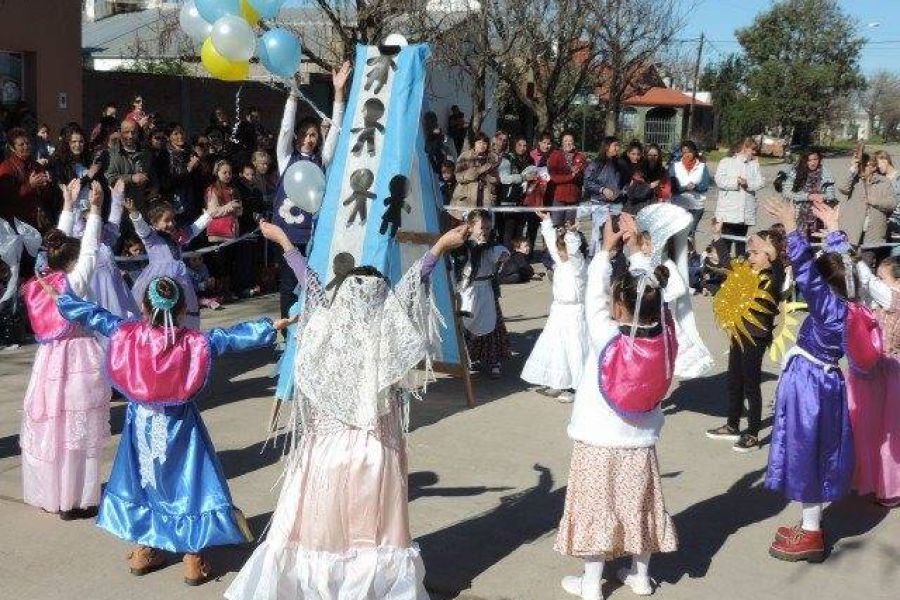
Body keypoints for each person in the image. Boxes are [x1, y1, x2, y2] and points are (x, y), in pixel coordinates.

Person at [226, 224, 469, 600]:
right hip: (376, 450)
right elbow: (413, 280)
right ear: (382, 296)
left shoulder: (327, 315)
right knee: (372, 531)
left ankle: (319, 586)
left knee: (319, 527)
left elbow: (308, 281)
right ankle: (372, 587)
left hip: (326, 448)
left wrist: (283, 240)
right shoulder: (388, 320)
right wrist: (440, 245)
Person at [49, 275, 277, 584]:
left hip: (139, 423)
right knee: (189, 483)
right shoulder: (193, 342)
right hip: (180, 425)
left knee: (146, 481)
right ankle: (193, 557)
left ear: (143, 307)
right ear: (183, 310)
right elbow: (228, 337)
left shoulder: (127, 333)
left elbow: (95, 315)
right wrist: (269, 327)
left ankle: (147, 547)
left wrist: (62, 298)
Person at [555, 218, 677, 600]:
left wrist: (607, 253)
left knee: (596, 507)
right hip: (639, 441)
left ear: (619, 309)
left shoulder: (606, 334)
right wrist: (645, 254)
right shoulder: (666, 336)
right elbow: (655, 295)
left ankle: (591, 583)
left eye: (613, 302)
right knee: (637, 504)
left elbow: (593, 293)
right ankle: (640, 577)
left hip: (597, 439)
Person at [760, 197, 856, 562]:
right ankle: (809, 521)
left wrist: (790, 224)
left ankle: (812, 532)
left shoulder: (829, 306)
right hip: (825, 381)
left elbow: (804, 269)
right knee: (816, 450)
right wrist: (834, 229)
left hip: (810, 384)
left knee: (805, 453)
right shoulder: (851, 296)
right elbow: (845, 263)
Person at [19, 181, 110, 519]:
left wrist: (69, 206)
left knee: (55, 428)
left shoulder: (44, 278)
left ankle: (55, 494)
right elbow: (88, 249)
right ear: (71, 259)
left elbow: (57, 244)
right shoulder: (76, 280)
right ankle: (79, 498)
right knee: (79, 429)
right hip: (77, 357)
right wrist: (96, 209)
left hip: (49, 360)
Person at [272, 62, 349, 320]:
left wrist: (339, 92)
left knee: (312, 282)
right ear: (297, 137)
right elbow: (284, 129)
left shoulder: (321, 161)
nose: (308, 138)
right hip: (287, 235)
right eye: (304, 134)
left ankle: (310, 323)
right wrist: (293, 93)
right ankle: (286, 330)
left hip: (313, 236)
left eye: (313, 135)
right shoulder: (286, 158)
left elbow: (336, 131)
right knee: (287, 285)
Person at [706, 229, 785, 452]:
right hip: (739, 333)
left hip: (756, 338)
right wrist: (719, 237)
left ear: (770, 254)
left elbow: (776, 262)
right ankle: (732, 425)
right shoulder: (746, 270)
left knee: (751, 384)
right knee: (734, 380)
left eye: (756, 253)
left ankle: (752, 434)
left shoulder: (774, 276)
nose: (750, 257)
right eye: (750, 253)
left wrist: (770, 249)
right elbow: (726, 261)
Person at [127, 196, 236, 329]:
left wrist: (209, 214)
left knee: (182, 309)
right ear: (155, 224)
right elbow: (141, 228)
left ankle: (181, 336)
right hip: (159, 280)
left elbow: (194, 229)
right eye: (166, 220)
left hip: (180, 280)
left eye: (172, 219)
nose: (171, 223)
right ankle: (157, 335)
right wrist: (134, 212)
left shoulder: (178, 236)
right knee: (159, 309)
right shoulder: (151, 238)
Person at [847, 255, 900, 507]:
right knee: (876, 429)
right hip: (882, 370)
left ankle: (891, 488)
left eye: (884, 277)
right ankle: (877, 480)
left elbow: (867, 281)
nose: (879, 281)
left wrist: (848, 250)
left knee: (890, 432)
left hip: (893, 371)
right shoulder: (887, 298)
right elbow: (862, 286)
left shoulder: (893, 298)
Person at [521, 212, 589, 403]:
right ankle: (558, 380)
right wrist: (546, 221)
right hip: (559, 311)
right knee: (555, 346)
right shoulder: (561, 262)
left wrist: (572, 234)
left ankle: (577, 386)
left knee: (574, 349)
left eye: (564, 249)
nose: (560, 253)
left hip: (574, 313)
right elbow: (552, 244)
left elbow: (573, 250)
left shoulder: (578, 265)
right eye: (561, 250)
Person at [455, 209, 510, 378]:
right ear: (470, 227)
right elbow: (458, 264)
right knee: (466, 325)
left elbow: (499, 253)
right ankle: (469, 358)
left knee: (492, 326)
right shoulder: (462, 246)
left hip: (486, 290)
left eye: (488, 228)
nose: (485, 231)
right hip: (467, 290)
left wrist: (501, 255)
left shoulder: (491, 246)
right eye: (482, 228)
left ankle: (494, 362)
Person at [715, 138, 765, 256]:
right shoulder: (726, 162)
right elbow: (719, 180)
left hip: (745, 212)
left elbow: (760, 182)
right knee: (725, 242)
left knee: (741, 243)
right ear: (744, 148)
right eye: (752, 149)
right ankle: (723, 268)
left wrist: (748, 184)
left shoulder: (754, 165)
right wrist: (736, 181)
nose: (754, 152)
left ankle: (741, 269)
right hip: (728, 211)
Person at [839, 152, 895, 252]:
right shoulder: (853, 179)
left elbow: (892, 204)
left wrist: (874, 201)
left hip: (873, 234)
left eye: (865, 165)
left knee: (866, 265)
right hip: (852, 233)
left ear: (873, 167)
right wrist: (853, 167)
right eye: (860, 164)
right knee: (848, 264)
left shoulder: (884, 182)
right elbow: (843, 188)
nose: (861, 167)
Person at [0, 127, 53, 231]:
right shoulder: (6, 167)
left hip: (38, 220)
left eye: (28, 143)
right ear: (12, 148)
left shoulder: (36, 165)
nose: (26, 147)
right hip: (18, 224)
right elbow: (6, 198)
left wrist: (46, 184)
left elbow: (47, 197)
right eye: (21, 145)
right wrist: (30, 185)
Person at [583, 136, 625, 256]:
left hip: (615, 205)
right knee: (598, 234)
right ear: (607, 147)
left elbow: (623, 183)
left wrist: (620, 192)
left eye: (618, 145)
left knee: (614, 233)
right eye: (615, 145)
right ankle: (594, 257)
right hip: (599, 204)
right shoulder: (596, 163)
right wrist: (602, 190)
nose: (617, 148)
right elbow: (587, 182)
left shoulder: (619, 164)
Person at [782, 150, 837, 239]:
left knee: (817, 244)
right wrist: (808, 197)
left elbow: (831, 195)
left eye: (815, 159)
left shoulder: (826, 174)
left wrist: (823, 197)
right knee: (799, 244)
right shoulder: (795, 172)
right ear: (805, 161)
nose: (812, 163)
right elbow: (786, 193)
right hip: (798, 214)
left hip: (819, 216)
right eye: (809, 160)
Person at [105, 118, 154, 210]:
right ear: (119, 132)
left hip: (141, 206)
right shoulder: (111, 154)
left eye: (133, 132)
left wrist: (154, 189)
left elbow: (152, 174)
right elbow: (109, 178)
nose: (130, 136)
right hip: (119, 207)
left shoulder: (145, 153)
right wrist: (131, 178)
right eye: (126, 132)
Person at [497, 136, 536, 246]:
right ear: (514, 146)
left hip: (523, 199)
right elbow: (504, 179)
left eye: (525, 146)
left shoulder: (529, 160)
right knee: (508, 230)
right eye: (520, 145)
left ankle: (516, 256)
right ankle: (505, 257)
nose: (522, 148)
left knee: (519, 229)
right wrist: (522, 177)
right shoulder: (506, 159)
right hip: (508, 199)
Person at [669, 140, 711, 238]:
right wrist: (684, 188)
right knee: (678, 234)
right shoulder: (675, 166)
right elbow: (672, 186)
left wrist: (696, 186)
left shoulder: (702, 166)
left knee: (689, 234)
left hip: (696, 206)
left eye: (689, 152)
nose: (686, 154)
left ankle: (689, 253)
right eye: (684, 152)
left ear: (694, 152)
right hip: (679, 205)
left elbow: (705, 185)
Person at [547, 131, 587, 227]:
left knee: (570, 228)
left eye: (570, 141)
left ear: (574, 142)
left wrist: (580, 172)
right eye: (565, 141)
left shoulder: (580, 156)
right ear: (561, 142)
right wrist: (571, 176)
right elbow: (554, 177)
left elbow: (584, 176)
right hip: (559, 197)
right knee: (557, 227)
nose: (568, 143)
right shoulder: (555, 155)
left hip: (574, 197)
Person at [451, 131, 500, 209]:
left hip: (484, 198)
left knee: (483, 219)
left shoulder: (490, 159)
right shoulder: (465, 156)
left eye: (485, 143)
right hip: (466, 198)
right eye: (479, 142)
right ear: (474, 143)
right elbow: (458, 176)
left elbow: (496, 179)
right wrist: (477, 172)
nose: (482, 145)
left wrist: (491, 179)